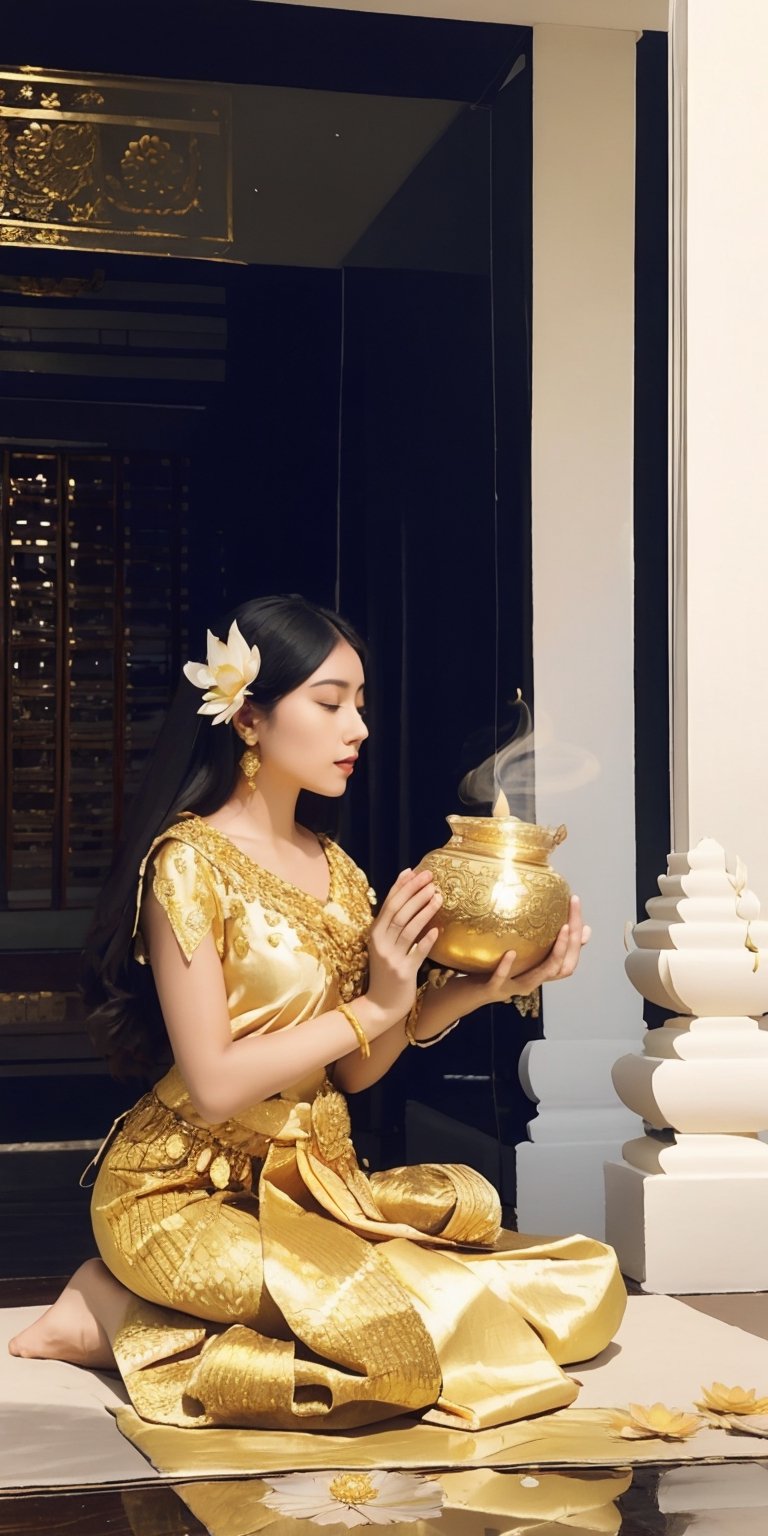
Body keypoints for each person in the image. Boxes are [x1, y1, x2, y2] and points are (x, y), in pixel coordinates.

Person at [10, 594, 625, 1431]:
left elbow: (358, 1065)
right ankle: (115, 1312)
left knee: (581, 1291)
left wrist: (478, 988)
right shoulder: (187, 864)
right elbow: (218, 1084)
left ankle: (157, 1312)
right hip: (182, 1196)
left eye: (361, 705)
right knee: (403, 1352)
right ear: (250, 720)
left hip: (315, 1190)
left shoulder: (338, 871)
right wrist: (377, 999)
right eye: (331, 702)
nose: (358, 728)